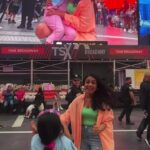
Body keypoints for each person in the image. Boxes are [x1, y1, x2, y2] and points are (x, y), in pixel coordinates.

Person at [60, 74, 114, 150]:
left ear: (97, 86)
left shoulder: (103, 101)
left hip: (97, 136)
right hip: (81, 136)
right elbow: (63, 118)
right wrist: (69, 137)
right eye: (87, 82)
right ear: (84, 84)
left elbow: (109, 119)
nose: (90, 84)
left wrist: (101, 127)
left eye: (93, 82)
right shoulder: (77, 101)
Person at [137, 73, 150, 148]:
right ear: (147, 77)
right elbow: (144, 97)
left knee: (145, 120)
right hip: (148, 106)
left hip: (147, 107)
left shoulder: (144, 84)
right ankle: (148, 137)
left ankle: (139, 132)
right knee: (146, 120)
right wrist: (144, 107)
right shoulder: (145, 85)